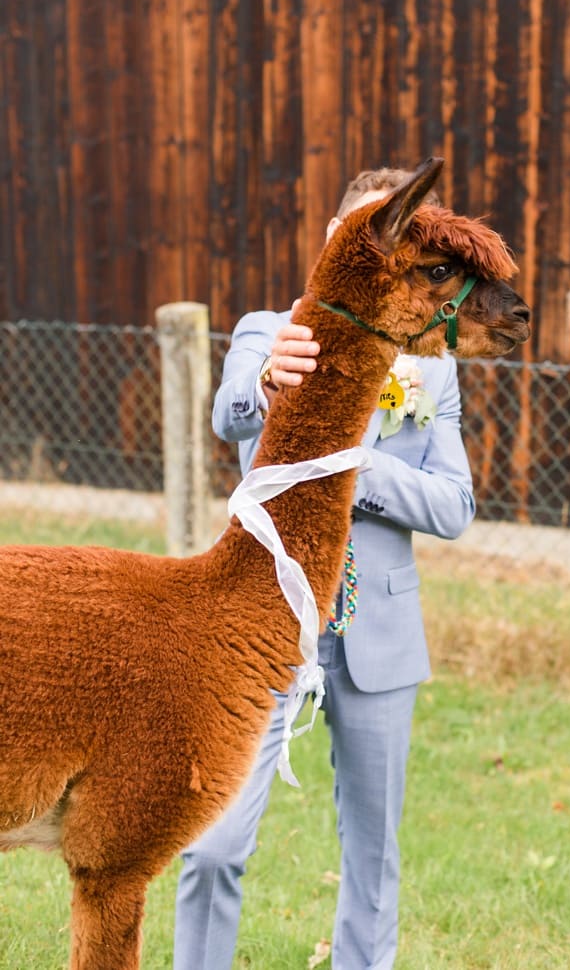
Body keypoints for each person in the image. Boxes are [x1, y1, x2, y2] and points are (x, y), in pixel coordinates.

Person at [174, 168, 476, 970]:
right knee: (210, 842)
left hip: (378, 634)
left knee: (373, 856)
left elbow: (454, 505)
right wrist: (272, 380)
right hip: (260, 628)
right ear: (334, 243)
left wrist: (357, 464)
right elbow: (228, 409)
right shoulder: (273, 329)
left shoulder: (430, 363)